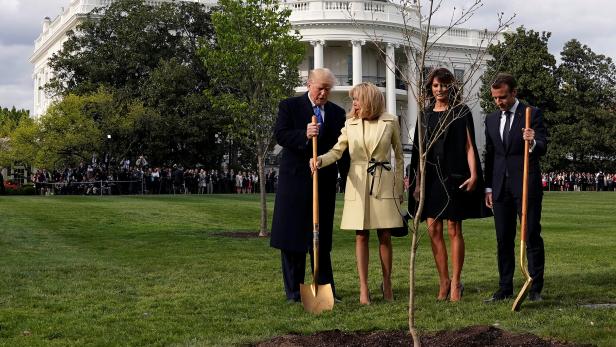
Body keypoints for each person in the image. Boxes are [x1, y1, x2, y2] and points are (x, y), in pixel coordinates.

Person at [311, 82, 404, 305]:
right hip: (358, 182)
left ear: (370, 100)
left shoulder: (390, 121)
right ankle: (364, 289)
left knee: (384, 235)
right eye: (353, 99)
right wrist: (320, 160)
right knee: (361, 235)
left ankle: (387, 282)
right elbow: (337, 151)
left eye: (358, 99)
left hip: (384, 182)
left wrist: (399, 188)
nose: (354, 103)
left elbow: (399, 156)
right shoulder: (350, 123)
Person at [408, 67, 490, 302]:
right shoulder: (424, 115)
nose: (440, 90)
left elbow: (469, 146)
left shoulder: (461, 111)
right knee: (433, 229)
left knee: (454, 228)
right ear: (430, 88)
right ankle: (443, 281)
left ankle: (456, 282)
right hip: (431, 178)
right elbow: (418, 152)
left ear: (451, 87)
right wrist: (417, 183)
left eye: (444, 85)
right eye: (435, 86)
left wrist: (474, 174)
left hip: (455, 177)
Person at [270, 68, 349, 303]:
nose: (323, 93)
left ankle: (325, 288)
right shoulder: (290, 106)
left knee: (320, 238)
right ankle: (294, 292)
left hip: (323, 182)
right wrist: (304, 134)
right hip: (295, 181)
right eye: (319, 88)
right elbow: (281, 135)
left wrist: (346, 178)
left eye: (327, 89)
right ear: (309, 84)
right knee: (293, 236)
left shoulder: (336, 113)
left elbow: (342, 149)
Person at [483, 73, 548, 303]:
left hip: (525, 185)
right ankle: (505, 287)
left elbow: (543, 146)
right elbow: (490, 155)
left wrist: (533, 141)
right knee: (503, 239)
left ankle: (534, 288)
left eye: (502, 97)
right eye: (495, 98)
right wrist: (488, 187)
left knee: (531, 235)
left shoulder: (531, 114)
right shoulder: (491, 119)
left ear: (514, 93)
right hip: (500, 188)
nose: (498, 102)